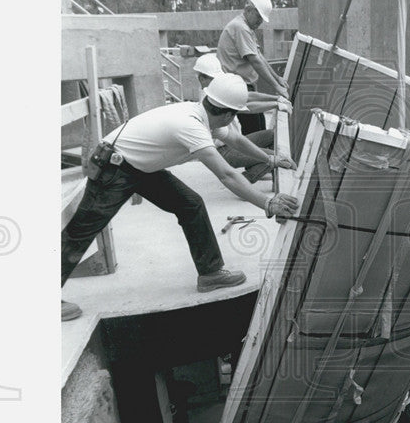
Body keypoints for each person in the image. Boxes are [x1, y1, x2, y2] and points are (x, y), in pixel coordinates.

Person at [61, 74, 299, 321]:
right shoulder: (191, 125)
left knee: (190, 204)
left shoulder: (202, 113)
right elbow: (227, 175)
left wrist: (268, 159)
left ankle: (211, 273)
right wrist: (268, 203)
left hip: (138, 167)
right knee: (82, 230)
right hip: (114, 168)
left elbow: (236, 139)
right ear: (229, 114)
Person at [193, 52, 293, 182]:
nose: (217, 81)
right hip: (224, 152)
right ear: (202, 79)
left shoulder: (216, 90)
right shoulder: (211, 99)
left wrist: (277, 98)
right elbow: (246, 109)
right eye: (213, 78)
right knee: (279, 157)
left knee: (272, 136)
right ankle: (244, 181)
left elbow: (247, 96)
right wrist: (276, 105)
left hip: (233, 142)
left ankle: (254, 175)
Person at [216, 0, 289, 98]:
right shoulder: (241, 28)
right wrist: (276, 86)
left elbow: (259, 57)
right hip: (235, 87)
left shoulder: (247, 28)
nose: (260, 22)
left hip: (241, 85)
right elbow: (255, 60)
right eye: (258, 16)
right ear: (249, 10)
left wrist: (277, 78)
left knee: (258, 113)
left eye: (262, 19)